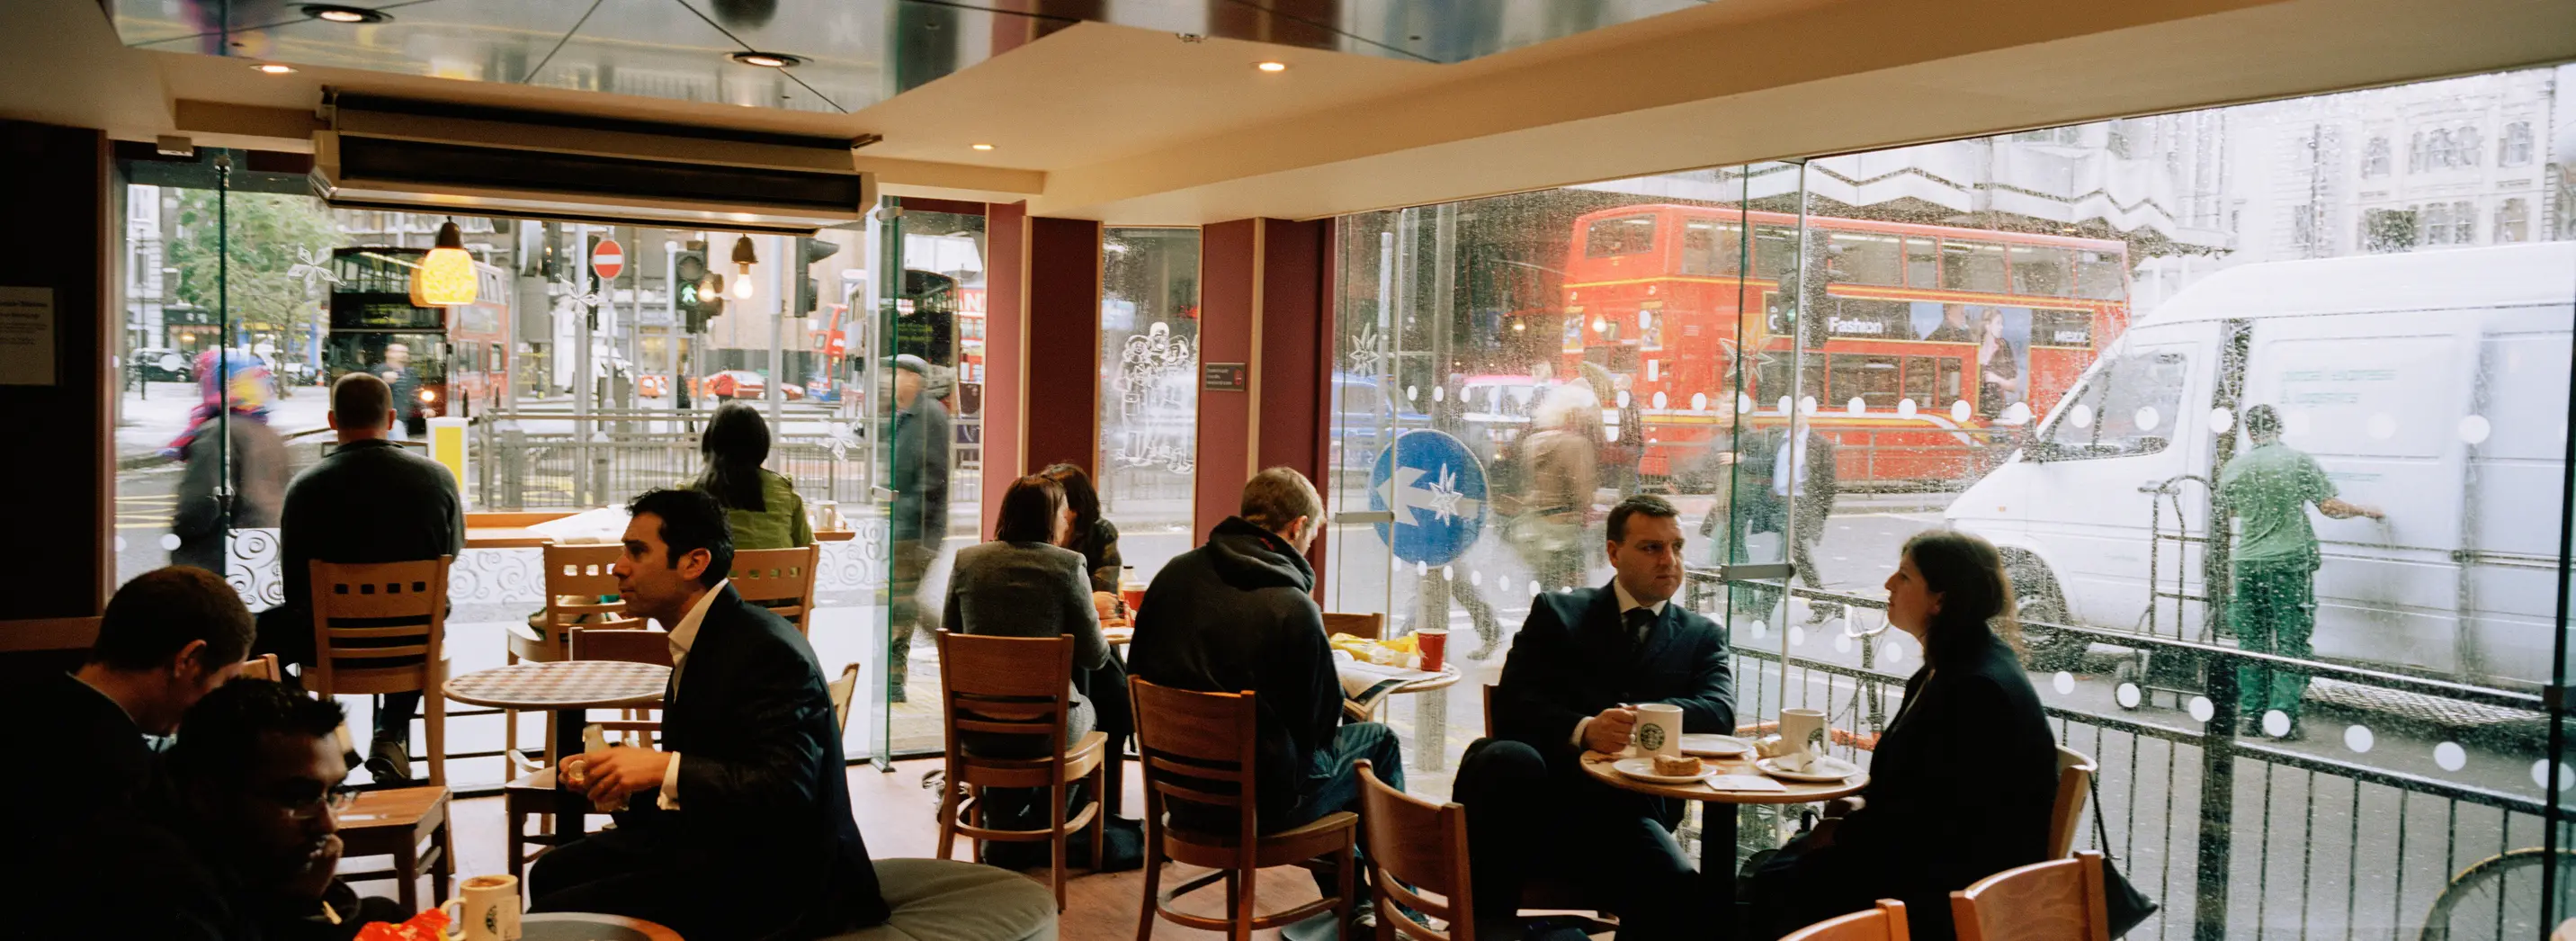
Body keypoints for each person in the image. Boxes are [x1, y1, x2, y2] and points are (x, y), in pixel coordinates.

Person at [530, 488, 889, 940]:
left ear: (694, 563)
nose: (618, 566)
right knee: (551, 872)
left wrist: (659, 766)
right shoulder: (707, 634)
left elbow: (787, 788)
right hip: (722, 843)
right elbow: (711, 770)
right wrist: (622, 778)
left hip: (783, 881)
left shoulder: (764, 649)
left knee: (557, 909)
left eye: (636, 551)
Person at [1126, 467, 1403, 929]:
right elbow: (1320, 727)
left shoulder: (1174, 576)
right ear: (1296, 527)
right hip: (1256, 810)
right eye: (1310, 536)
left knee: (1320, 762)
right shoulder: (1292, 607)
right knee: (1377, 743)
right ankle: (1399, 914)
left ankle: (1358, 905)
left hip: (1178, 798)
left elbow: (1137, 670)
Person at [1749, 530, 2058, 941]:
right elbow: (1923, 795)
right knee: (1774, 871)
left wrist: (1844, 830)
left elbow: (1931, 819)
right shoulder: (1961, 667)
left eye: (1905, 576)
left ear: (1941, 599)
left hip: (1948, 893)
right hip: (1930, 866)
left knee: (1768, 884)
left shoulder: (1973, 688)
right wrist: (1857, 811)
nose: (1889, 585)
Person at [1455, 495, 1734, 941]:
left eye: (1677, 547)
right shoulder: (1558, 613)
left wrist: (1645, 718)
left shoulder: (1702, 636)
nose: (1669, 561)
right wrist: (1585, 730)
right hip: (1544, 799)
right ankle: (1489, 932)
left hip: (1629, 812)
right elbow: (1514, 704)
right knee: (1500, 756)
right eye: (1651, 548)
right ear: (1613, 553)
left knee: (1679, 886)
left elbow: (1720, 714)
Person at [254, 372, 463, 784]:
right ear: (389, 417)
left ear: (333, 421)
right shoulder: (437, 479)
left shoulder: (306, 487)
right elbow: (450, 553)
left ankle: (327, 731)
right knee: (427, 618)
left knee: (256, 640)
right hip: (410, 640)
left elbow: (294, 584)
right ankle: (390, 732)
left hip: (327, 642)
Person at [141, 677, 406, 940]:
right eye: (299, 798)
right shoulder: (167, 898)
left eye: (334, 792)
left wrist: (305, 897)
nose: (328, 824)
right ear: (208, 797)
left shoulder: (245, 864)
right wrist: (298, 910)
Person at [0, 566, 253, 824]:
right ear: (189, 661)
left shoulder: (22, 707)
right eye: (224, 682)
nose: (220, 700)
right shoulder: (126, 778)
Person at [2217, 404, 2384, 740]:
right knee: (2291, 642)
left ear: (2250, 432)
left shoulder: (2235, 467)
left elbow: (2232, 510)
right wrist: (2365, 510)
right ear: (2279, 428)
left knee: (2251, 641)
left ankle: (2251, 716)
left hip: (2247, 563)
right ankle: (2281, 720)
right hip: (2288, 564)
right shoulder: (2297, 461)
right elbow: (2329, 507)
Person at [945, 474, 1114, 755]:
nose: (1067, 521)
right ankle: (1056, 800)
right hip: (1046, 730)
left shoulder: (967, 560)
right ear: (1049, 518)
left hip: (974, 728)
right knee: (1090, 709)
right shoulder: (1069, 565)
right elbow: (1094, 658)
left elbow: (948, 638)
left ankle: (1005, 797)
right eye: (1063, 512)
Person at [167, 354, 291, 574]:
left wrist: (181, 535)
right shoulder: (268, 434)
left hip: (219, 561)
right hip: (261, 554)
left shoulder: (218, 433)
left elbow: (200, 504)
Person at [888, 354, 952, 702]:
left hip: (916, 532)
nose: (892, 379)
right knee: (901, 604)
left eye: (898, 373)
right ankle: (895, 680)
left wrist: (904, 515)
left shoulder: (929, 417)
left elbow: (933, 479)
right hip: (903, 529)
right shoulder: (904, 417)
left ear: (915, 378)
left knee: (902, 604)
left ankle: (953, 643)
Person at [1513, 381, 1600, 594]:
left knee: (1545, 587)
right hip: (1566, 527)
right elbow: (1583, 491)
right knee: (1573, 590)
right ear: (1573, 414)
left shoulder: (1533, 442)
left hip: (1537, 525)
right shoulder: (1577, 445)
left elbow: (1528, 481)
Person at [693, 400, 813, 550]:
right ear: (762, 443)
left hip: (719, 574)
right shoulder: (783, 491)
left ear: (710, 443)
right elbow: (808, 545)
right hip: (779, 573)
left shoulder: (689, 493)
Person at [1040, 462, 1124, 598]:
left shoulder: (1101, 532)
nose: (1045, 508)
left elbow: (1105, 590)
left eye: (1055, 502)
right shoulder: (1035, 530)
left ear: (1076, 506)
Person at [1975, 308, 2021, 420]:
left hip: (1996, 411)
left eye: (2002, 323)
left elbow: (2013, 385)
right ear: (1987, 325)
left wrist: (1995, 379)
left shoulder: (2004, 348)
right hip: (1974, 410)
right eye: (1998, 323)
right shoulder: (1975, 347)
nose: (2002, 327)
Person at [379, 341, 425, 439]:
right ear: (388, 353)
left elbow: (415, 393)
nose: (403, 354)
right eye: (398, 351)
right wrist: (383, 381)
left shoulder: (410, 373)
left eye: (405, 352)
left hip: (403, 418)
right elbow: (369, 392)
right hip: (386, 419)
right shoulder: (379, 371)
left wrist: (424, 407)